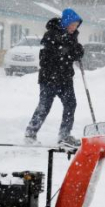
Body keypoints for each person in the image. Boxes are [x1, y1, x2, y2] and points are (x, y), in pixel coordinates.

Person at [25, 8, 84, 145]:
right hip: (49, 78)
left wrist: (78, 51)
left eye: (76, 25)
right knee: (44, 106)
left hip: (65, 78)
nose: (74, 28)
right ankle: (30, 134)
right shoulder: (51, 34)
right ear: (66, 23)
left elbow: (72, 54)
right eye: (73, 25)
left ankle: (64, 135)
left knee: (71, 104)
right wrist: (63, 52)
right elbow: (48, 57)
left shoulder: (72, 37)